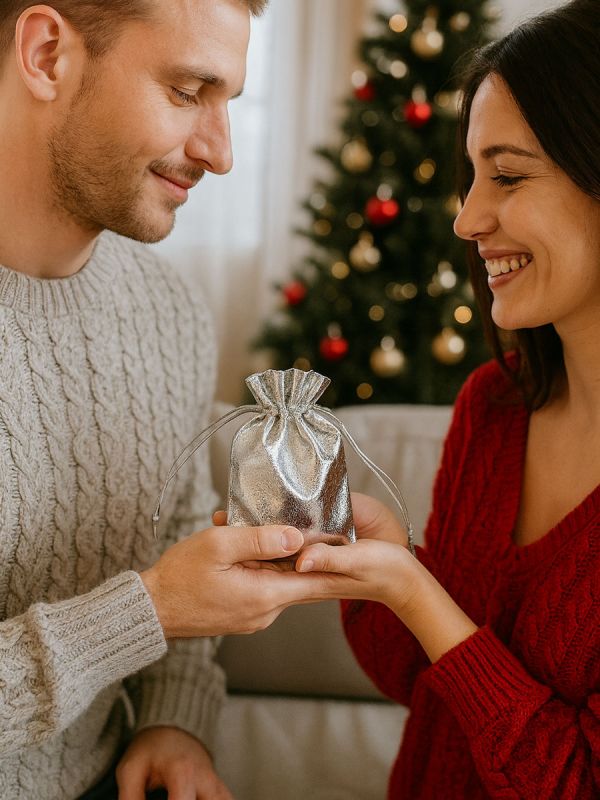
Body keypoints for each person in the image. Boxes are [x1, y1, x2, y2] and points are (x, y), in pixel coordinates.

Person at [0, 1, 329, 798]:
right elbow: (160, 596)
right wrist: (145, 611)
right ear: (47, 55)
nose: (219, 155)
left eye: (229, 105)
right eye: (188, 91)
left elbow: (177, 531)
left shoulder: (169, 310)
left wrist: (172, 717)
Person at [289, 0, 600, 797]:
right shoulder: (494, 408)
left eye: (507, 175)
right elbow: (424, 688)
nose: (467, 218)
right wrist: (386, 560)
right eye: (471, 178)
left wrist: (413, 590)